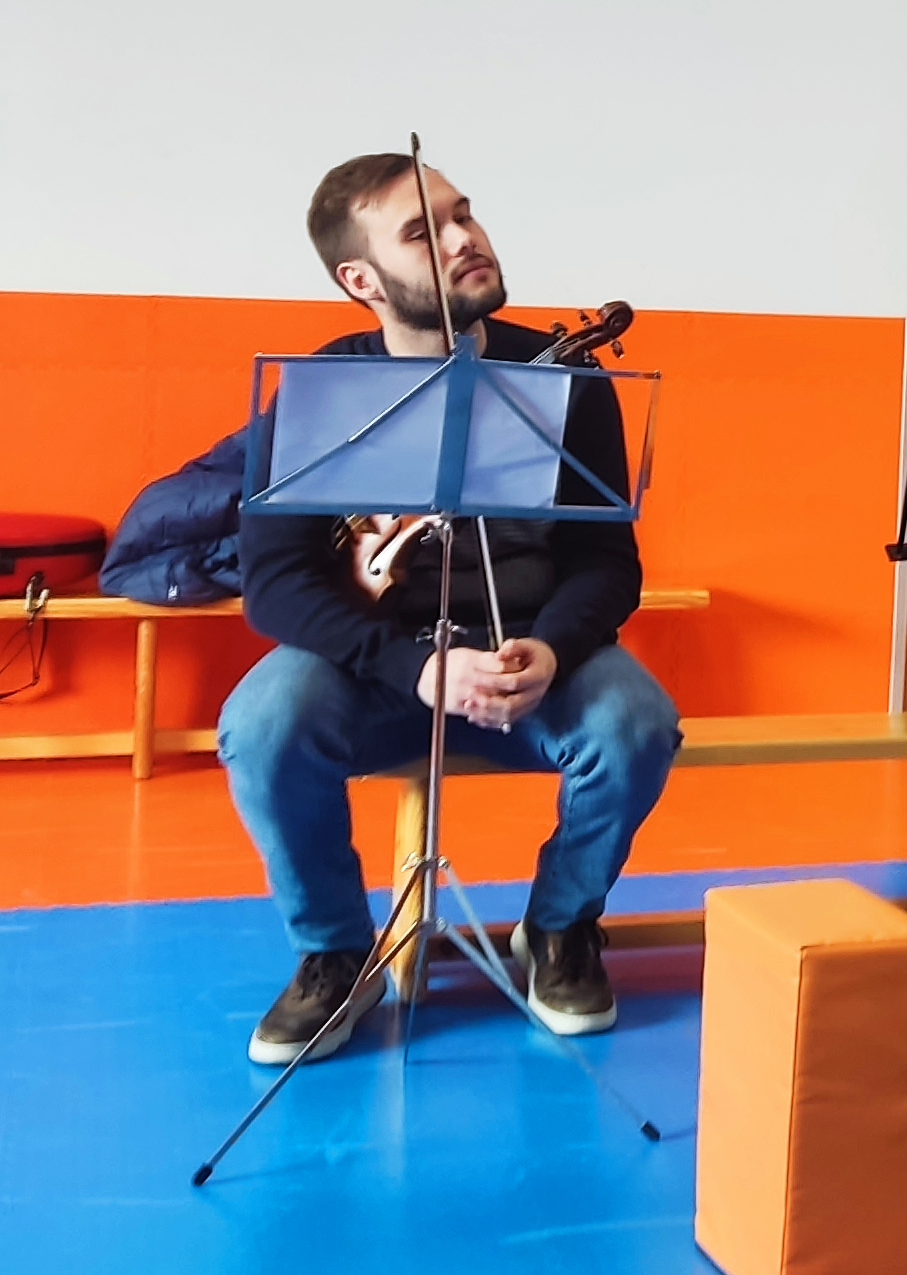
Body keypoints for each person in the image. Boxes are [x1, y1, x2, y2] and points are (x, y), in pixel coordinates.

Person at [216, 155, 680, 1065]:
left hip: (531, 658)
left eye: (464, 213)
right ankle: (336, 952)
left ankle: (559, 926)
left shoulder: (565, 377)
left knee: (637, 724)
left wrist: (552, 648)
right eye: (424, 232)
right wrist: (415, 667)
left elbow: (607, 563)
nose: (465, 238)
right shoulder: (321, 392)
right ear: (362, 280)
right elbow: (274, 582)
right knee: (263, 724)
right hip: (380, 666)